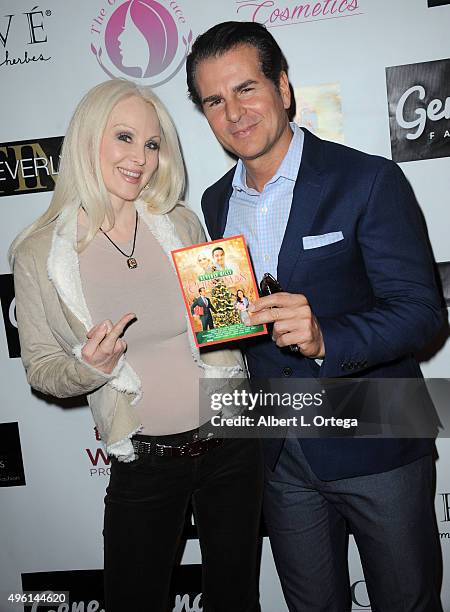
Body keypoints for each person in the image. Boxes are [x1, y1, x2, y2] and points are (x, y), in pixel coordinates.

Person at [186, 22, 444, 612]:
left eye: (247, 88)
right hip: (280, 453)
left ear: (284, 88)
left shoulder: (369, 179)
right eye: (215, 101)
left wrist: (329, 335)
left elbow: (423, 313)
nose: (235, 112)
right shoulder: (214, 201)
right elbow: (234, 327)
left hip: (381, 435)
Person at [10, 78, 263, 612]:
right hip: (145, 460)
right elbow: (41, 368)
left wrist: (248, 311)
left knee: (236, 599)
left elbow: (223, 332)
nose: (141, 159)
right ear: (86, 140)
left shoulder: (181, 221)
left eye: (152, 144)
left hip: (230, 444)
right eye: (124, 138)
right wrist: (89, 365)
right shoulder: (38, 254)